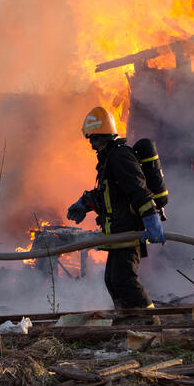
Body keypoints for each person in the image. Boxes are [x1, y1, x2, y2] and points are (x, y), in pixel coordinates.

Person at [65, 106, 166, 316]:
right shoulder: (108, 158)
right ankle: (126, 319)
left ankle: (150, 323)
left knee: (124, 280)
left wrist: (151, 218)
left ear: (99, 135)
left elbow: (139, 190)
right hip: (117, 233)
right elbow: (109, 194)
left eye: (92, 138)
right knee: (112, 280)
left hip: (127, 232)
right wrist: (85, 203)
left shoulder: (120, 156)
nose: (91, 144)